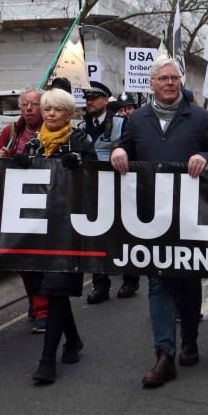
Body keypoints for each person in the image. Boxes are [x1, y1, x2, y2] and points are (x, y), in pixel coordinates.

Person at [110, 57, 208, 388]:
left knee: (188, 283)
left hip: (190, 217)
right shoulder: (137, 120)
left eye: (174, 78)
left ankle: (189, 340)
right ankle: (164, 354)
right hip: (151, 217)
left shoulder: (201, 118)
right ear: (151, 84)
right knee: (159, 282)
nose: (169, 83)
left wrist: (206, 157)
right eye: (163, 78)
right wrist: (118, 152)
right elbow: (124, 148)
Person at [23, 87, 97, 384]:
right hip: (39, 228)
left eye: (57, 109)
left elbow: (96, 178)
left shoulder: (79, 141)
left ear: (69, 114)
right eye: (47, 109)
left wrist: (80, 166)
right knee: (54, 290)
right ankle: (74, 340)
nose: (51, 114)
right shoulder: (33, 144)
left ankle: (46, 361)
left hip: (70, 229)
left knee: (55, 289)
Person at [0, 87, 50, 333]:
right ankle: (36, 302)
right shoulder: (12, 132)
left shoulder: (52, 130)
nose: (28, 109)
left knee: (42, 260)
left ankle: (43, 309)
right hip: (17, 206)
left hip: (45, 206)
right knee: (24, 260)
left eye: (34, 104)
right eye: (24, 104)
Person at [81, 81, 139, 303]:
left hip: (118, 185)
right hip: (92, 188)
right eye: (87, 98)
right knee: (96, 237)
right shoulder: (80, 127)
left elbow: (132, 150)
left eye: (94, 98)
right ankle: (100, 285)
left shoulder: (121, 124)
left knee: (123, 234)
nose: (90, 102)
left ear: (106, 100)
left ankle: (130, 279)